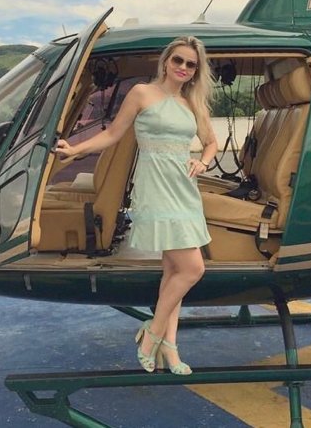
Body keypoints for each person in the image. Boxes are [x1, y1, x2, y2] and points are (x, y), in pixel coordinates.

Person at [56, 36, 218, 376]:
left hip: (184, 188)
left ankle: (169, 346)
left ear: (196, 70)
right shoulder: (142, 93)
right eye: (178, 60)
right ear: (166, 61)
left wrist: (203, 162)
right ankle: (153, 333)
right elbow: (112, 134)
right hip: (155, 187)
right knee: (193, 269)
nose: (183, 68)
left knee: (175, 271)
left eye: (191, 64)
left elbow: (211, 142)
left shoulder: (193, 103)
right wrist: (75, 150)